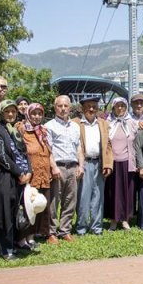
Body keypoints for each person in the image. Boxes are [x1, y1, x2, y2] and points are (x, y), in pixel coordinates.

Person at [0, 100, 32, 260]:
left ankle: (14, 243)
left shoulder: (16, 131)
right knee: (5, 213)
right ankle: (5, 249)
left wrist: (29, 172)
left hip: (21, 178)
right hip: (6, 177)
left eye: (13, 111)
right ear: (1, 113)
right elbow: (1, 157)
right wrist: (19, 172)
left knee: (16, 212)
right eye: (7, 112)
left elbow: (25, 154)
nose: (11, 114)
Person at [17, 102, 59, 243]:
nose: (36, 116)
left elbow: (49, 151)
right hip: (30, 174)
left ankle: (37, 234)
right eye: (34, 113)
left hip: (44, 173)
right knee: (29, 206)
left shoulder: (43, 131)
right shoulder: (22, 130)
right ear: (28, 114)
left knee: (41, 205)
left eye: (39, 114)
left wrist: (52, 167)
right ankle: (25, 237)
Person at [44, 95, 83, 243]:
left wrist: (81, 165)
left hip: (72, 167)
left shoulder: (75, 127)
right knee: (54, 201)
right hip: (58, 167)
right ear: (55, 108)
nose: (63, 108)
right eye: (60, 106)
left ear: (70, 108)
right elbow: (48, 149)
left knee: (70, 200)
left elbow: (79, 148)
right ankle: (51, 232)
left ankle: (65, 230)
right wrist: (53, 167)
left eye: (66, 106)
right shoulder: (49, 126)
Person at [73, 97, 113, 235]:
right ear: (82, 108)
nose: (91, 109)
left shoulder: (103, 123)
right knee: (83, 196)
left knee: (98, 195)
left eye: (94, 107)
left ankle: (97, 227)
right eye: (88, 106)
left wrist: (108, 164)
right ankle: (81, 228)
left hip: (99, 163)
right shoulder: (76, 123)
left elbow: (108, 145)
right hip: (85, 163)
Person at [106, 97, 137, 230]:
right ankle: (113, 219)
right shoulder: (107, 122)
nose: (120, 108)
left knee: (127, 192)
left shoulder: (131, 122)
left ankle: (125, 219)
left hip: (127, 162)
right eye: (117, 106)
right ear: (113, 108)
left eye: (122, 106)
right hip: (112, 163)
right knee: (113, 192)